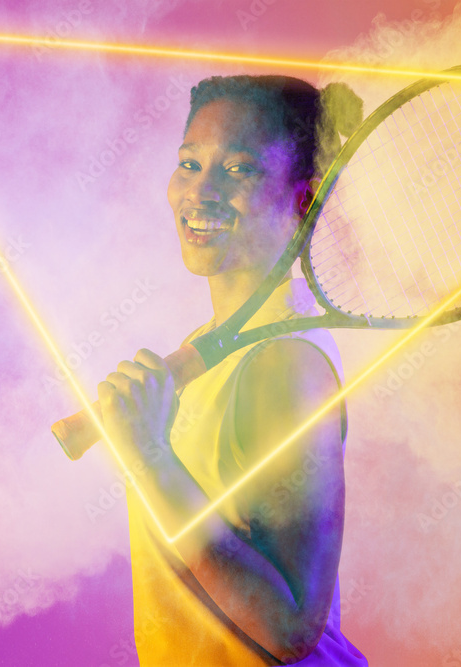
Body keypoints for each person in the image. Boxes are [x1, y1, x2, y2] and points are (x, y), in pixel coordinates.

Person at [97, 75, 368, 665]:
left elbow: (290, 627)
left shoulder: (286, 365)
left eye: (240, 170)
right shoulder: (207, 347)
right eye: (189, 163)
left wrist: (149, 458)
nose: (201, 192)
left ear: (303, 199)